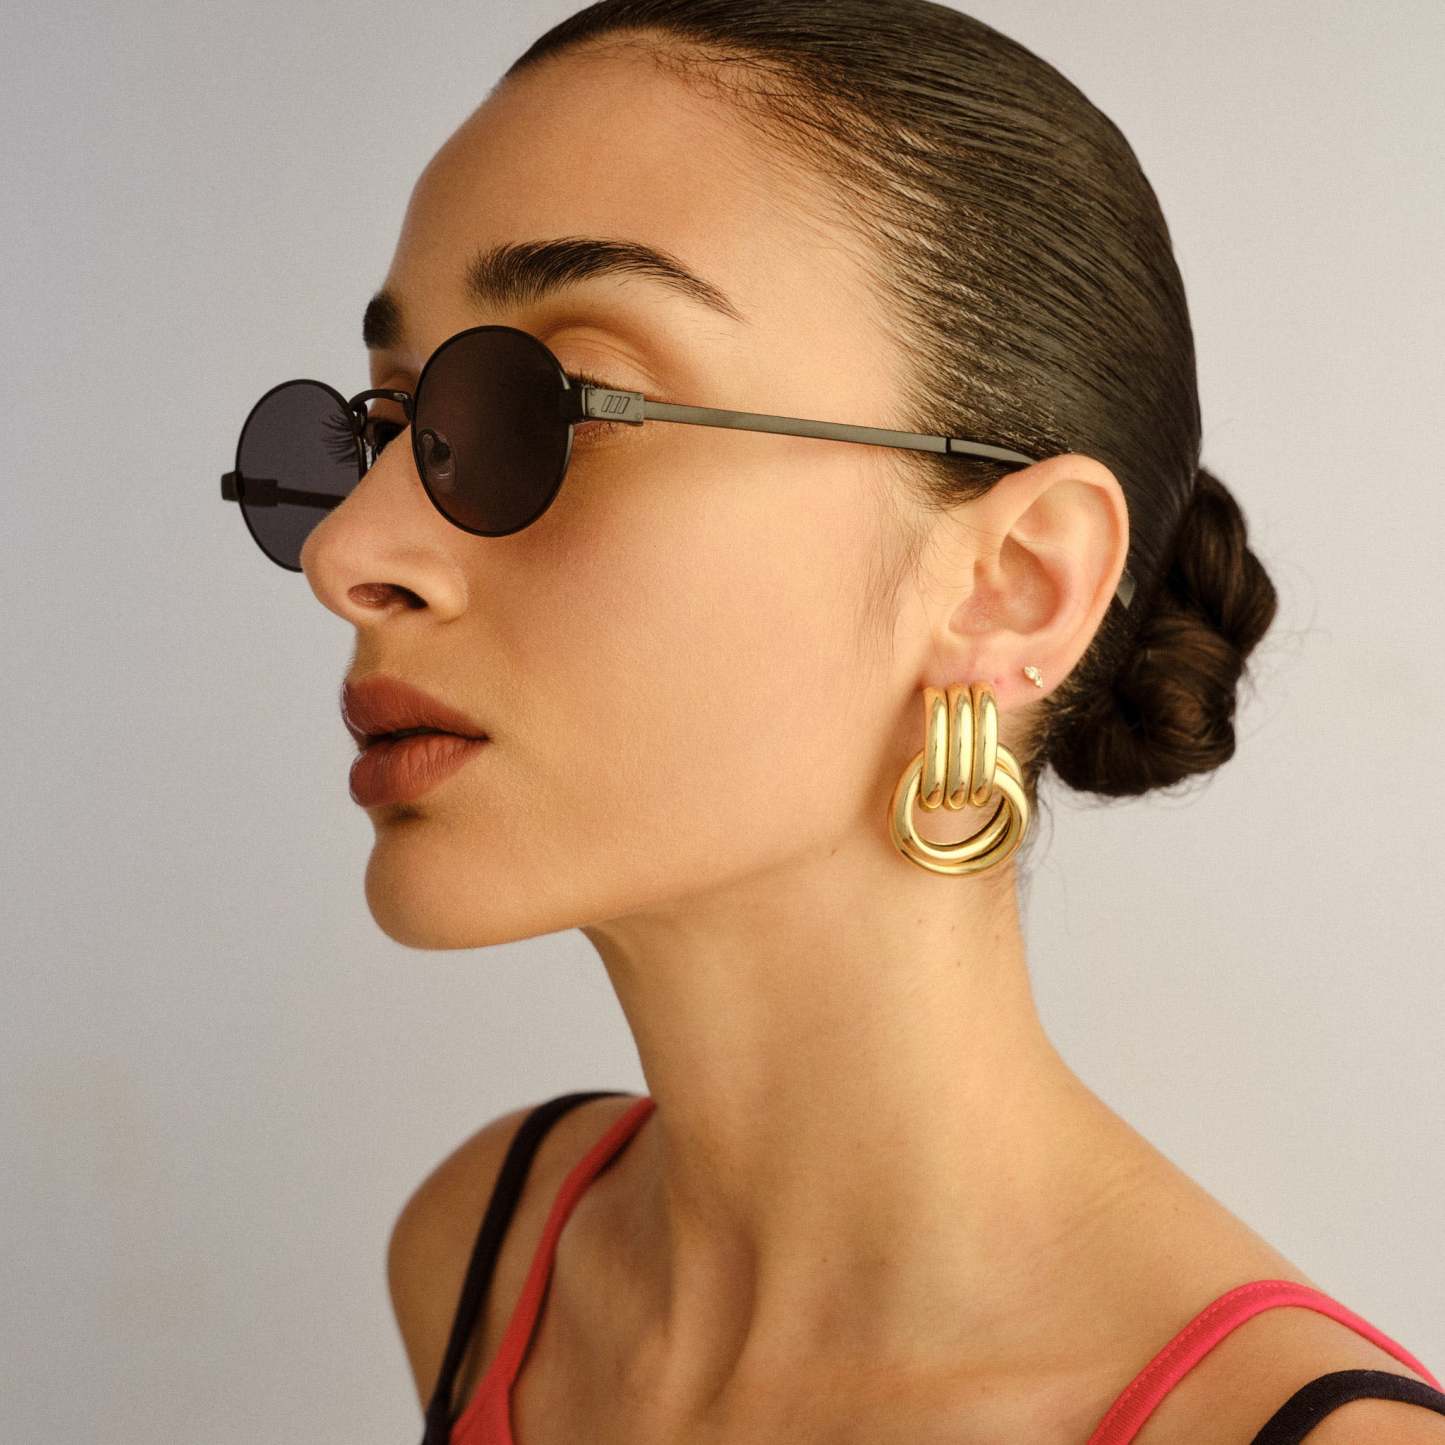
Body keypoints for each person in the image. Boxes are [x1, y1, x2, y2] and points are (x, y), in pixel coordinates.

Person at [286, 2, 1445, 1440]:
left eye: (559, 405)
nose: (349, 545)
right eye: (388, 423)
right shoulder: (487, 1250)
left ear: (1011, 586)